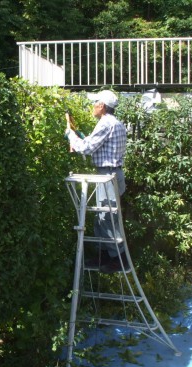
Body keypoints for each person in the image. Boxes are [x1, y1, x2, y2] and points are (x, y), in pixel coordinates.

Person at [65, 90, 129, 273]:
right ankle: (105, 258)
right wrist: (81, 138)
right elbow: (96, 146)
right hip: (112, 174)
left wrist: (71, 135)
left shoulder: (105, 123)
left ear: (102, 106)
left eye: (95, 103)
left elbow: (86, 148)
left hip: (107, 175)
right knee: (102, 218)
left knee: (107, 218)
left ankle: (118, 259)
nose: (92, 106)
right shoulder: (115, 123)